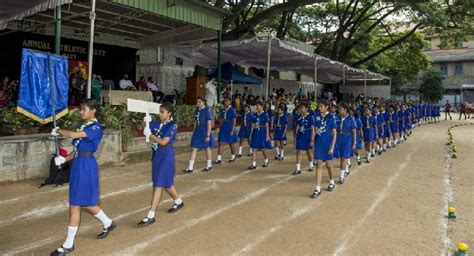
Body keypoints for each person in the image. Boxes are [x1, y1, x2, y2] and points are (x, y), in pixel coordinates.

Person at [50, 99, 116, 256]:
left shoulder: (95, 127)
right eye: (81, 109)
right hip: (78, 164)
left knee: (76, 205)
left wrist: (59, 131)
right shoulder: (84, 126)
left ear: (93, 111)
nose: (81, 112)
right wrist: (64, 159)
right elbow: (78, 150)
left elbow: (72, 135)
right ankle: (108, 223)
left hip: (86, 166)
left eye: (84, 109)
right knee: (84, 203)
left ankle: (68, 244)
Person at [138, 103, 184, 227]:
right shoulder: (158, 123)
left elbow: (164, 142)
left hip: (166, 154)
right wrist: (145, 122)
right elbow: (143, 128)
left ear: (169, 113)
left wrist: (150, 135)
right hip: (157, 154)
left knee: (158, 184)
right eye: (160, 111)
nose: (160, 114)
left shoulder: (172, 125)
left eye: (162, 112)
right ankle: (178, 201)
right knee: (167, 183)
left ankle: (151, 214)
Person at [183, 97, 216, 173]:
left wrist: (208, 135)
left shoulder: (207, 110)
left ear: (204, 102)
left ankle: (209, 165)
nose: (198, 103)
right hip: (198, 130)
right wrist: (194, 131)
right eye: (197, 102)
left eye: (199, 102)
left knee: (207, 148)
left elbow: (209, 123)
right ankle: (190, 167)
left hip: (205, 130)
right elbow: (195, 122)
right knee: (194, 148)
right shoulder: (197, 110)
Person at [312, 100, 337, 198]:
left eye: (321, 106)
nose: (319, 108)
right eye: (319, 106)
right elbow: (314, 129)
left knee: (329, 165)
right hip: (319, 143)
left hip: (328, 143)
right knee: (318, 164)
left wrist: (332, 147)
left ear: (327, 107)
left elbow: (334, 134)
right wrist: (313, 141)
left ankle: (332, 181)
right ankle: (317, 188)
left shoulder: (331, 117)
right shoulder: (317, 115)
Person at [334, 104, 357, 184]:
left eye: (341, 109)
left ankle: (341, 176)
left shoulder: (351, 118)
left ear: (345, 110)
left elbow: (354, 131)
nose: (339, 111)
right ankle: (346, 169)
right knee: (341, 156)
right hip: (339, 137)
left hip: (347, 138)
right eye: (339, 109)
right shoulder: (337, 117)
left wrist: (354, 142)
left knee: (343, 157)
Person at [293, 103, 315, 175]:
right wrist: (295, 137)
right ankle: (298, 168)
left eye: (302, 108)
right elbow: (297, 126)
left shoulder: (310, 117)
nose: (301, 109)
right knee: (298, 151)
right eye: (300, 108)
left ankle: (311, 165)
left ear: (306, 109)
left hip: (307, 135)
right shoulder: (299, 117)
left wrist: (312, 139)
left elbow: (312, 129)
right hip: (300, 135)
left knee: (308, 151)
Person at [248, 101, 270, 170]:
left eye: (258, 106)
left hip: (262, 132)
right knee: (254, 148)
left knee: (263, 148)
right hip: (255, 132)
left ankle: (266, 160)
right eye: (256, 106)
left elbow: (267, 126)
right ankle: (253, 164)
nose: (257, 107)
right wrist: (251, 134)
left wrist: (267, 135)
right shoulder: (254, 114)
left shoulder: (265, 114)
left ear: (262, 106)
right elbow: (253, 124)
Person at [215, 98, 238, 164]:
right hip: (223, 128)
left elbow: (234, 120)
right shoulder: (222, 110)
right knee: (221, 142)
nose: (225, 102)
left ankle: (233, 156)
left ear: (230, 102)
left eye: (227, 101)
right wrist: (219, 119)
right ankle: (219, 158)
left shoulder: (232, 110)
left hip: (230, 128)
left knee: (231, 143)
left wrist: (232, 130)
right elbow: (221, 119)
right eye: (224, 101)